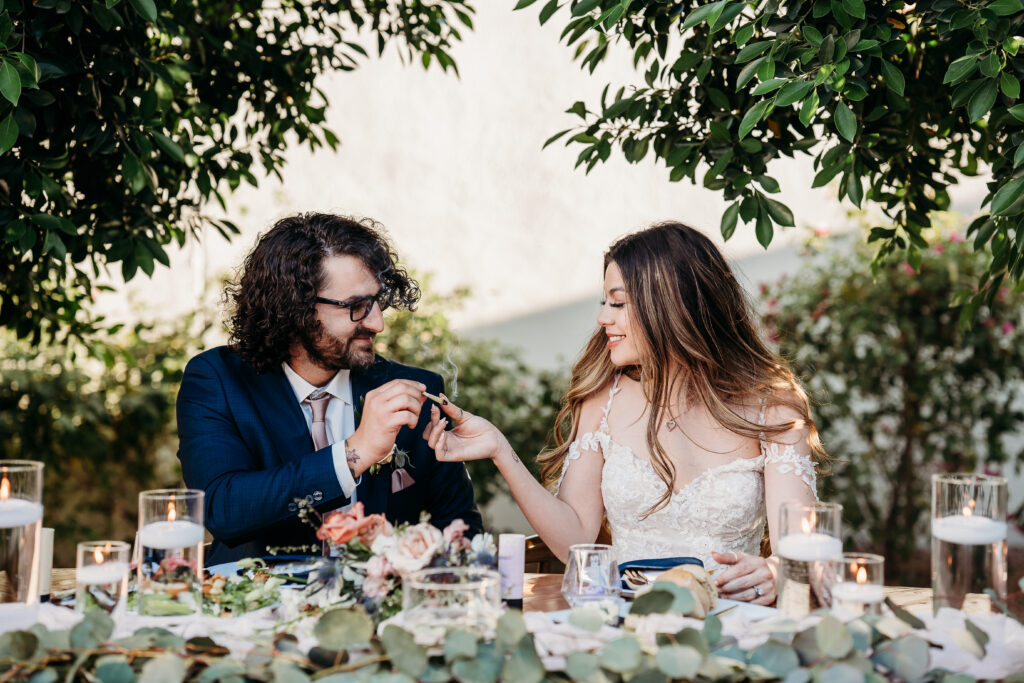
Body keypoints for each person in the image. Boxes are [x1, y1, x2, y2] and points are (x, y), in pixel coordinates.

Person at [423, 222, 825, 605]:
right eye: (605, 303)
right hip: (626, 624)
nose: (603, 318)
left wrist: (776, 570)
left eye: (617, 303)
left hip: (736, 621)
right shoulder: (603, 400)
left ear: (671, 307)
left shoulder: (773, 406)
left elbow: (800, 551)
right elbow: (575, 540)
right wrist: (499, 450)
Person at [176, 213, 482, 564]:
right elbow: (223, 508)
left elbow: (461, 529)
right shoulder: (218, 380)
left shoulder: (416, 391)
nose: (378, 322)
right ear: (295, 310)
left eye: (377, 301)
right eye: (356, 307)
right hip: (257, 609)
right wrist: (356, 452)